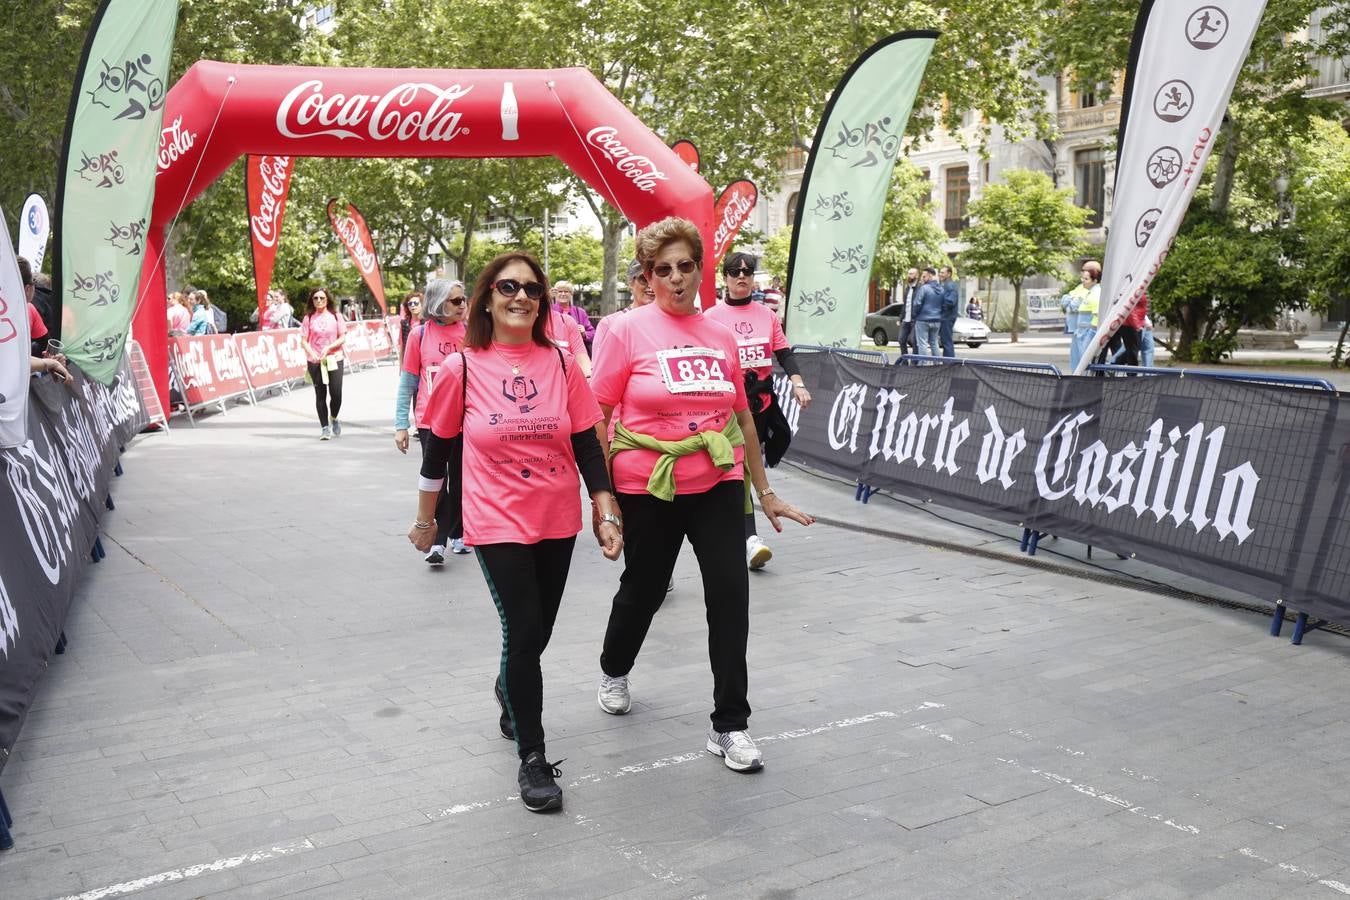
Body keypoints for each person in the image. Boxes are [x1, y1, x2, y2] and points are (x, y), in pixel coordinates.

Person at [589, 216, 813, 773]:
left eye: (686, 266)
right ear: (647, 275)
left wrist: (764, 491)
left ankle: (730, 725)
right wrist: (605, 500)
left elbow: (741, 417)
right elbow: (599, 418)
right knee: (642, 590)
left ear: (699, 269)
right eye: (662, 270)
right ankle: (614, 668)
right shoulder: (625, 329)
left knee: (731, 598)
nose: (676, 279)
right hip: (648, 486)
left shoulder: (718, 333)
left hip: (717, 481)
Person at [408, 251, 623, 813]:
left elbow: (584, 440)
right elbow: (438, 449)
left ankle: (509, 690)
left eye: (531, 288)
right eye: (508, 287)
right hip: (494, 518)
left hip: (556, 516)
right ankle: (533, 756)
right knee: (524, 628)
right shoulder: (463, 367)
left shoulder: (560, 363)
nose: (520, 296)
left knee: (535, 633)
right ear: (486, 298)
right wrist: (426, 520)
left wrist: (605, 509)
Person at [703, 250, 812, 570]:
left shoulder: (766, 315)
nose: (741, 276)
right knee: (744, 468)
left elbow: (784, 352)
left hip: (761, 404)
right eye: (735, 272)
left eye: (747, 272)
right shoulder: (711, 317)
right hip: (727, 408)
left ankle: (734, 529)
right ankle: (749, 538)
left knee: (750, 464)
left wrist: (798, 383)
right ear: (725, 278)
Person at [395, 279, 469, 562]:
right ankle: (437, 540)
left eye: (464, 299)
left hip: (467, 420)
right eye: (456, 301)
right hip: (430, 421)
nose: (463, 305)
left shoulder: (472, 332)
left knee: (462, 479)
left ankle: (459, 532)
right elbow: (408, 382)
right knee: (437, 480)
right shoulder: (420, 334)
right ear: (439, 303)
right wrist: (401, 424)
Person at [300, 286, 347, 439]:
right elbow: (304, 340)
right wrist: (312, 353)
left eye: (322, 298)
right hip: (315, 361)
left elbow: (342, 337)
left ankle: (333, 417)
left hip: (334, 358)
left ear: (327, 299)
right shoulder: (308, 318)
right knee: (320, 394)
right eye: (316, 298)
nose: (319, 301)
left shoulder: (336, 315)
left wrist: (329, 347)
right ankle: (324, 428)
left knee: (336, 394)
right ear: (312, 301)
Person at [1068, 262, 1102, 371]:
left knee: (1084, 364)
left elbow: (1097, 317)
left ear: (1095, 280)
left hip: (1086, 333)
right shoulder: (1088, 292)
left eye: (1086, 279)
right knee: (1078, 364)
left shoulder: (1096, 293)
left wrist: (1089, 337)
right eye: (1083, 278)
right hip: (1080, 333)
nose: (1083, 281)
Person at [552, 280, 595, 350]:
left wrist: (584, 333)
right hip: (554, 352)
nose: (563, 294)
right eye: (560, 291)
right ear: (555, 293)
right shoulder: (548, 310)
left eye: (566, 291)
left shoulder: (580, 312)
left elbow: (593, 333)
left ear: (571, 294)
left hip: (575, 353)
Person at [913, 268, 943, 356]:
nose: (922, 278)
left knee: (922, 344)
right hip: (937, 320)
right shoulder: (941, 289)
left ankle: (923, 366)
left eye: (924, 276)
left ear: (930, 275)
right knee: (934, 343)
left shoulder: (924, 288)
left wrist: (916, 314)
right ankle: (937, 365)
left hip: (923, 319)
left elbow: (916, 304)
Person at [937, 265, 959, 358]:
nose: (940, 274)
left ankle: (949, 363)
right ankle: (947, 362)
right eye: (940, 272)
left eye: (942, 272)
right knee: (945, 341)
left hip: (947, 317)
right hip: (945, 317)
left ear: (949, 274)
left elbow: (950, 302)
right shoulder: (946, 285)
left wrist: (940, 305)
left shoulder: (950, 285)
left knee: (947, 341)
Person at [898, 268, 921, 354]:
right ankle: (905, 362)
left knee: (914, 342)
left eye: (911, 274)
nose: (909, 275)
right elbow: (905, 304)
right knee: (901, 340)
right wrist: (900, 318)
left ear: (917, 276)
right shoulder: (907, 288)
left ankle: (914, 363)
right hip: (905, 319)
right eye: (908, 273)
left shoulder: (920, 287)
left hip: (915, 319)